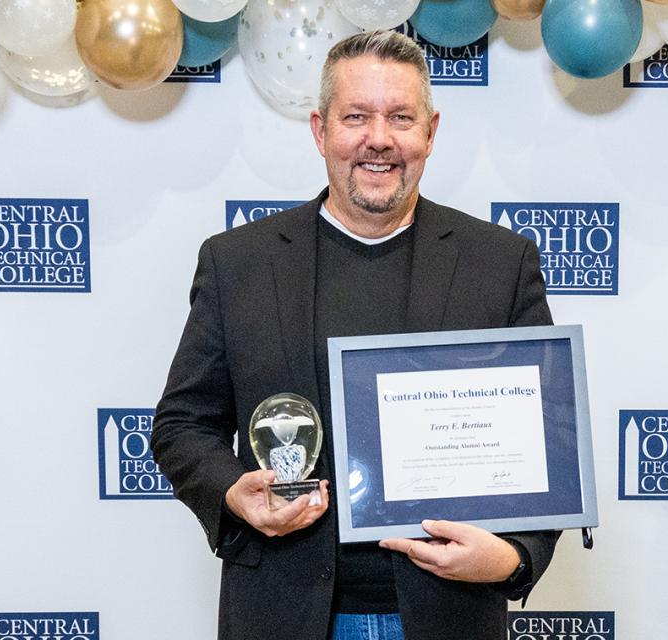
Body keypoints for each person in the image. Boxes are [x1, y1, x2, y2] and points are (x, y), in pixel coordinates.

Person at [152, 30, 559, 640]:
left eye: (401, 118)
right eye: (356, 117)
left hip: (449, 615)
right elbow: (183, 424)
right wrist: (234, 492)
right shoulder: (237, 263)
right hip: (281, 611)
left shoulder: (500, 264)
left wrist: (514, 557)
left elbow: (548, 437)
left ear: (430, 131)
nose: (379, 139)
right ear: (320, 131)